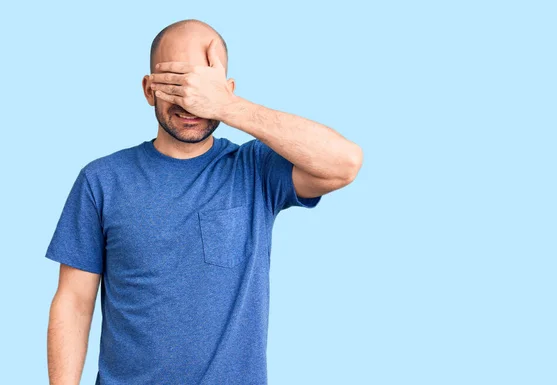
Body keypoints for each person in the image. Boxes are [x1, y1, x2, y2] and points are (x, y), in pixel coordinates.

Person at [45, 19, 362, 385]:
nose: (189, 101)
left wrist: (230, 107)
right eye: (174, 83)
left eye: (201, 86)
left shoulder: (255, 169)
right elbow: (73, 303)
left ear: (225, 90)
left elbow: (345, 163)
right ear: (149, 89)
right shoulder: (101, 180)